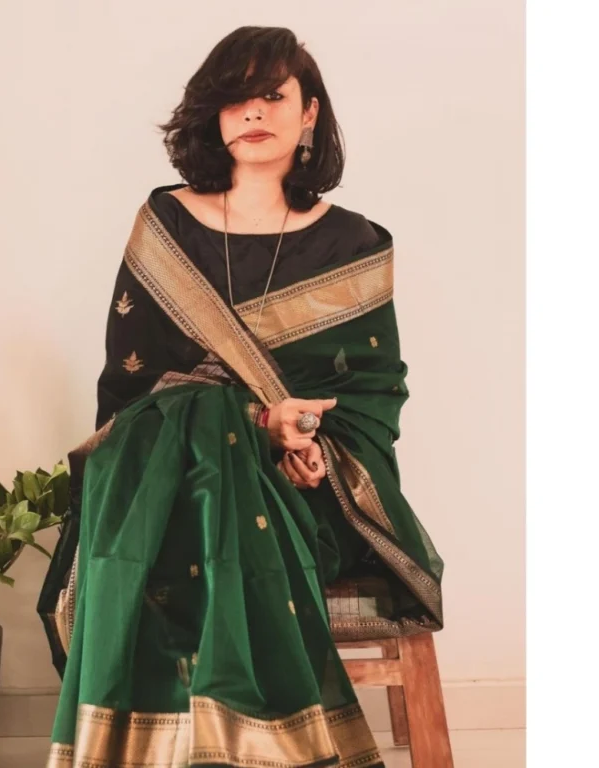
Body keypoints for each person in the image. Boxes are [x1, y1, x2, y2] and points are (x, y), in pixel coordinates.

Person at [38, 25, 444, 768]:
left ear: (309, 112)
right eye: (235, 98)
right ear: (214, 116)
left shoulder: (355, 245)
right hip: (168, 477)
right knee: (192, 452)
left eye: (273, 95)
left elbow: (374, 395)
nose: (254, 112)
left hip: (302, 487)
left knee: (214, 472)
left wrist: (311, 445)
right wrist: (252, 421)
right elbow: (130, 387)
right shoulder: (166, 226)